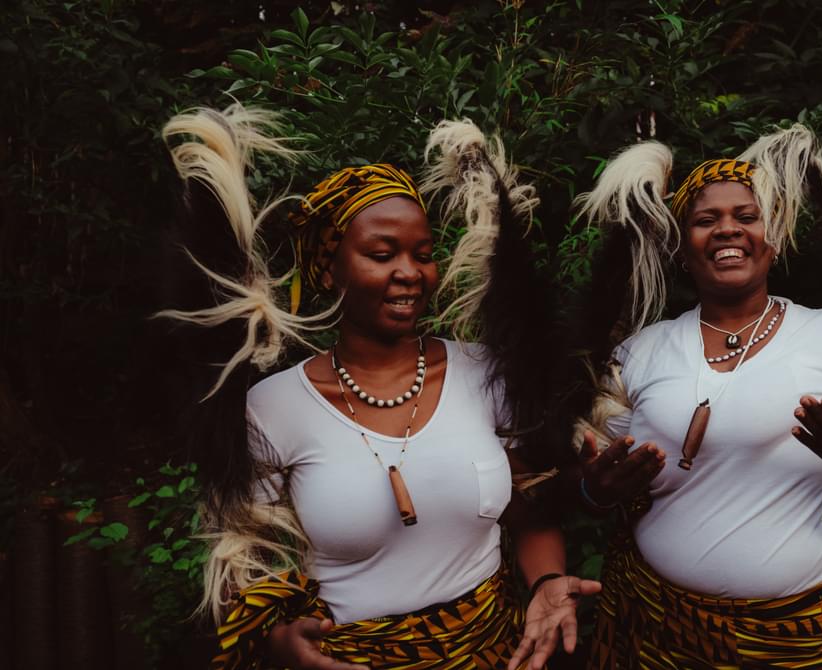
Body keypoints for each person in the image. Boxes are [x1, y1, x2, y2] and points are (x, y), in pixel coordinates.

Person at [159, 105, 596, 670]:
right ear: (329, 270)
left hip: (490, 652)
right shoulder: (274, 408)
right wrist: (275, 639)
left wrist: (548, 583)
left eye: (423, 254)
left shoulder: (484, 372)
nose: (410, 272)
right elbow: (243, 562)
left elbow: (530, 508)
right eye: (381, 254)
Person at [568, 126, 822, 669]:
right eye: (705, 220)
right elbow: (589, 480)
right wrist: (595, 491)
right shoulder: (641, 353)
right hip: (662, 634)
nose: (726, 230)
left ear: (775, 237)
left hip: (821, 639)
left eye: (746, 215)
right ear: (682, 246)